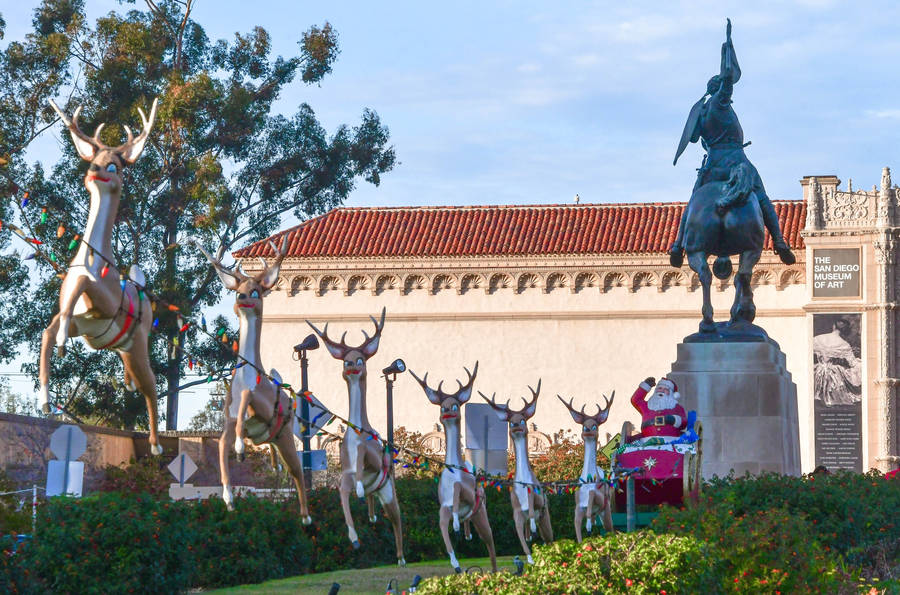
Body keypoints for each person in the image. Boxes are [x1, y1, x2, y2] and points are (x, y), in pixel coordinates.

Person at [669, 19, 795, 268]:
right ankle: (780, 241)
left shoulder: (701, 112)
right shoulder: (720, 103)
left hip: (711, 166)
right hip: (736, 162)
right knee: (762, 197)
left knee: (693, 202)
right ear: (719, 91)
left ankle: (678, 245)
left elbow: (694, 139)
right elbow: (728, 77)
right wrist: (727, 47)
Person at [813, 318, 862, 406]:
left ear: (834, 326)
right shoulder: (844, 345)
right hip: (834, 374)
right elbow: (853, 363)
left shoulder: (817, 338)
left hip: (818, 371)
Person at [628, 376, 687, 443]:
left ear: (671, 393)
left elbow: (684, 422)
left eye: (666, 389)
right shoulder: (647, 406)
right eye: (660, 388)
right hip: (647, 442)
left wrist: (674, 419)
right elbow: (636, 400)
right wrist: (646, 386)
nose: (662, 391)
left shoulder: (677, 407)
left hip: (671, 441)